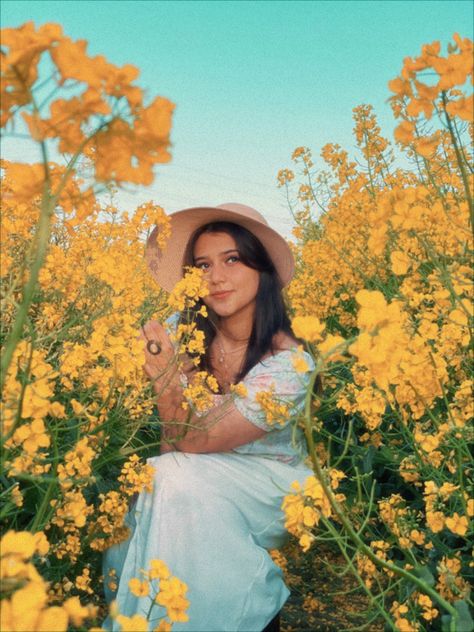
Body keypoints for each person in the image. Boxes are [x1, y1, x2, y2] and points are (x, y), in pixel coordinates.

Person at [103, 203, 315, 632]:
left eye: (232, 260)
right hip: (191, 469)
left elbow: (195, 441)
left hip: (276, 488)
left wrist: (166, 378)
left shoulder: (289, 362)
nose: (215, 278)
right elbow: (174, 443)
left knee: (174, 479)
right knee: (165, 483)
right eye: (202, 265)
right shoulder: (182, 329)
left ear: (263, 269)